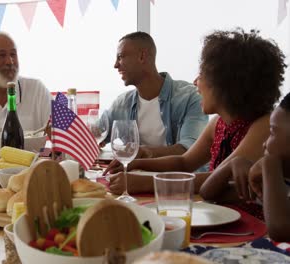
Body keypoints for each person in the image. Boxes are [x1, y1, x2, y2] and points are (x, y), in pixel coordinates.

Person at [105, 28, 286, 195]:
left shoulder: (263, 126)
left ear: (225, 82)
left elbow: (213, 180)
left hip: (252, 225)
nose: (195, 82)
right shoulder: (218, 123)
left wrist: (144, 182)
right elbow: (183, 162)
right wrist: (135, 163)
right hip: (219, 215)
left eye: (202, 74)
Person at [103, 31, 208, 160]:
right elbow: (95, 134)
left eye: (120, 57)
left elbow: (189, 149)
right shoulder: (122, 103)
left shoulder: (190, 97)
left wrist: (144, 152)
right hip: (136, 178)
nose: (115, 65)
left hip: (177, 179)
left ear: (142, 57)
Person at [200, 93, 290, 241]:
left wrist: (270, 163)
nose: (264, 143)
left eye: (272, 132)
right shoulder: (277, 181)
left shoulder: (274, 175)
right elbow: (208, 193)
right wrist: (231, 164)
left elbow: (280, 230)